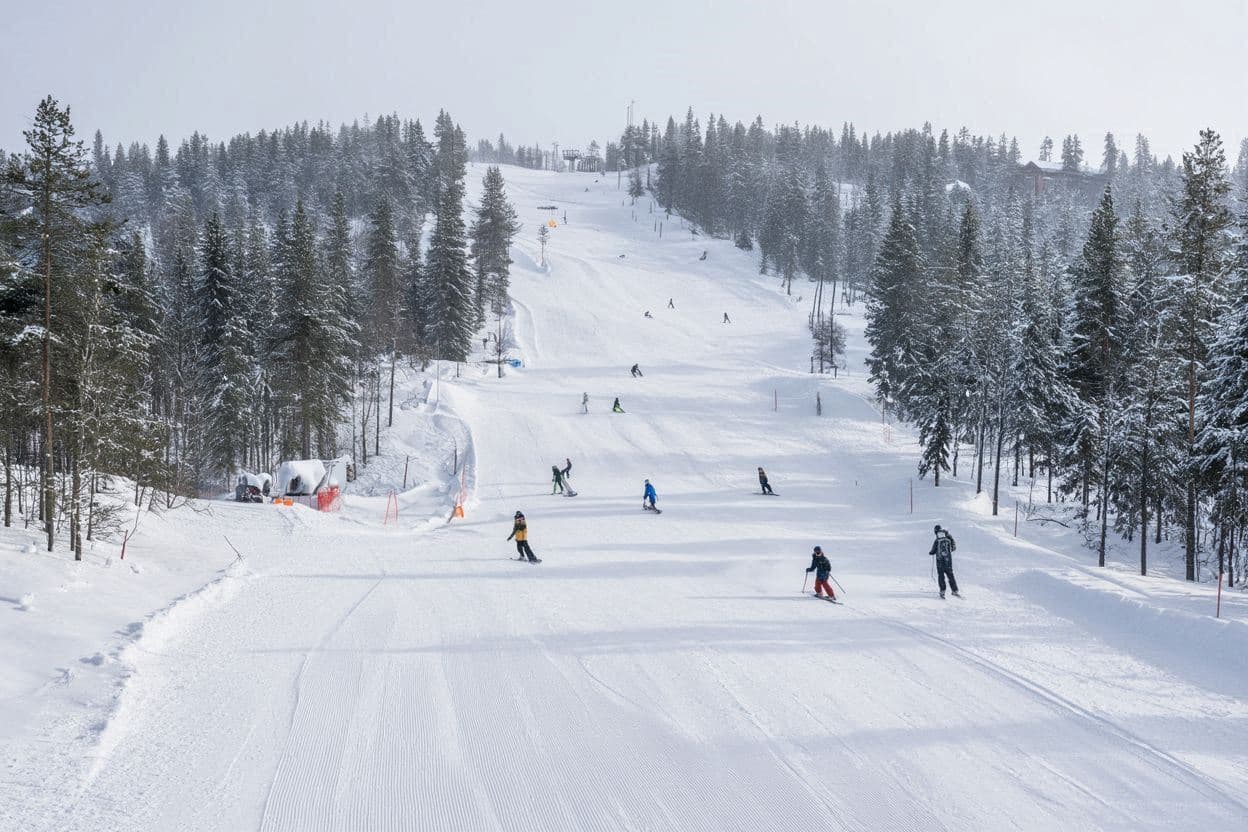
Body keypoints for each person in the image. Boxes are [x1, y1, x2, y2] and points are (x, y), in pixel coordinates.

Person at [929, 524, 960, 598]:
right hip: (948, 561)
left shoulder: (937, 540)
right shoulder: (948, 537)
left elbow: (933, 551)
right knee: (950, 575)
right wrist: (948, 552)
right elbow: (953, 547)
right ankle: (954, 590)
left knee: (941, 576)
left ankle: (942, 591)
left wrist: (931, 552)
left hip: (940, 561)